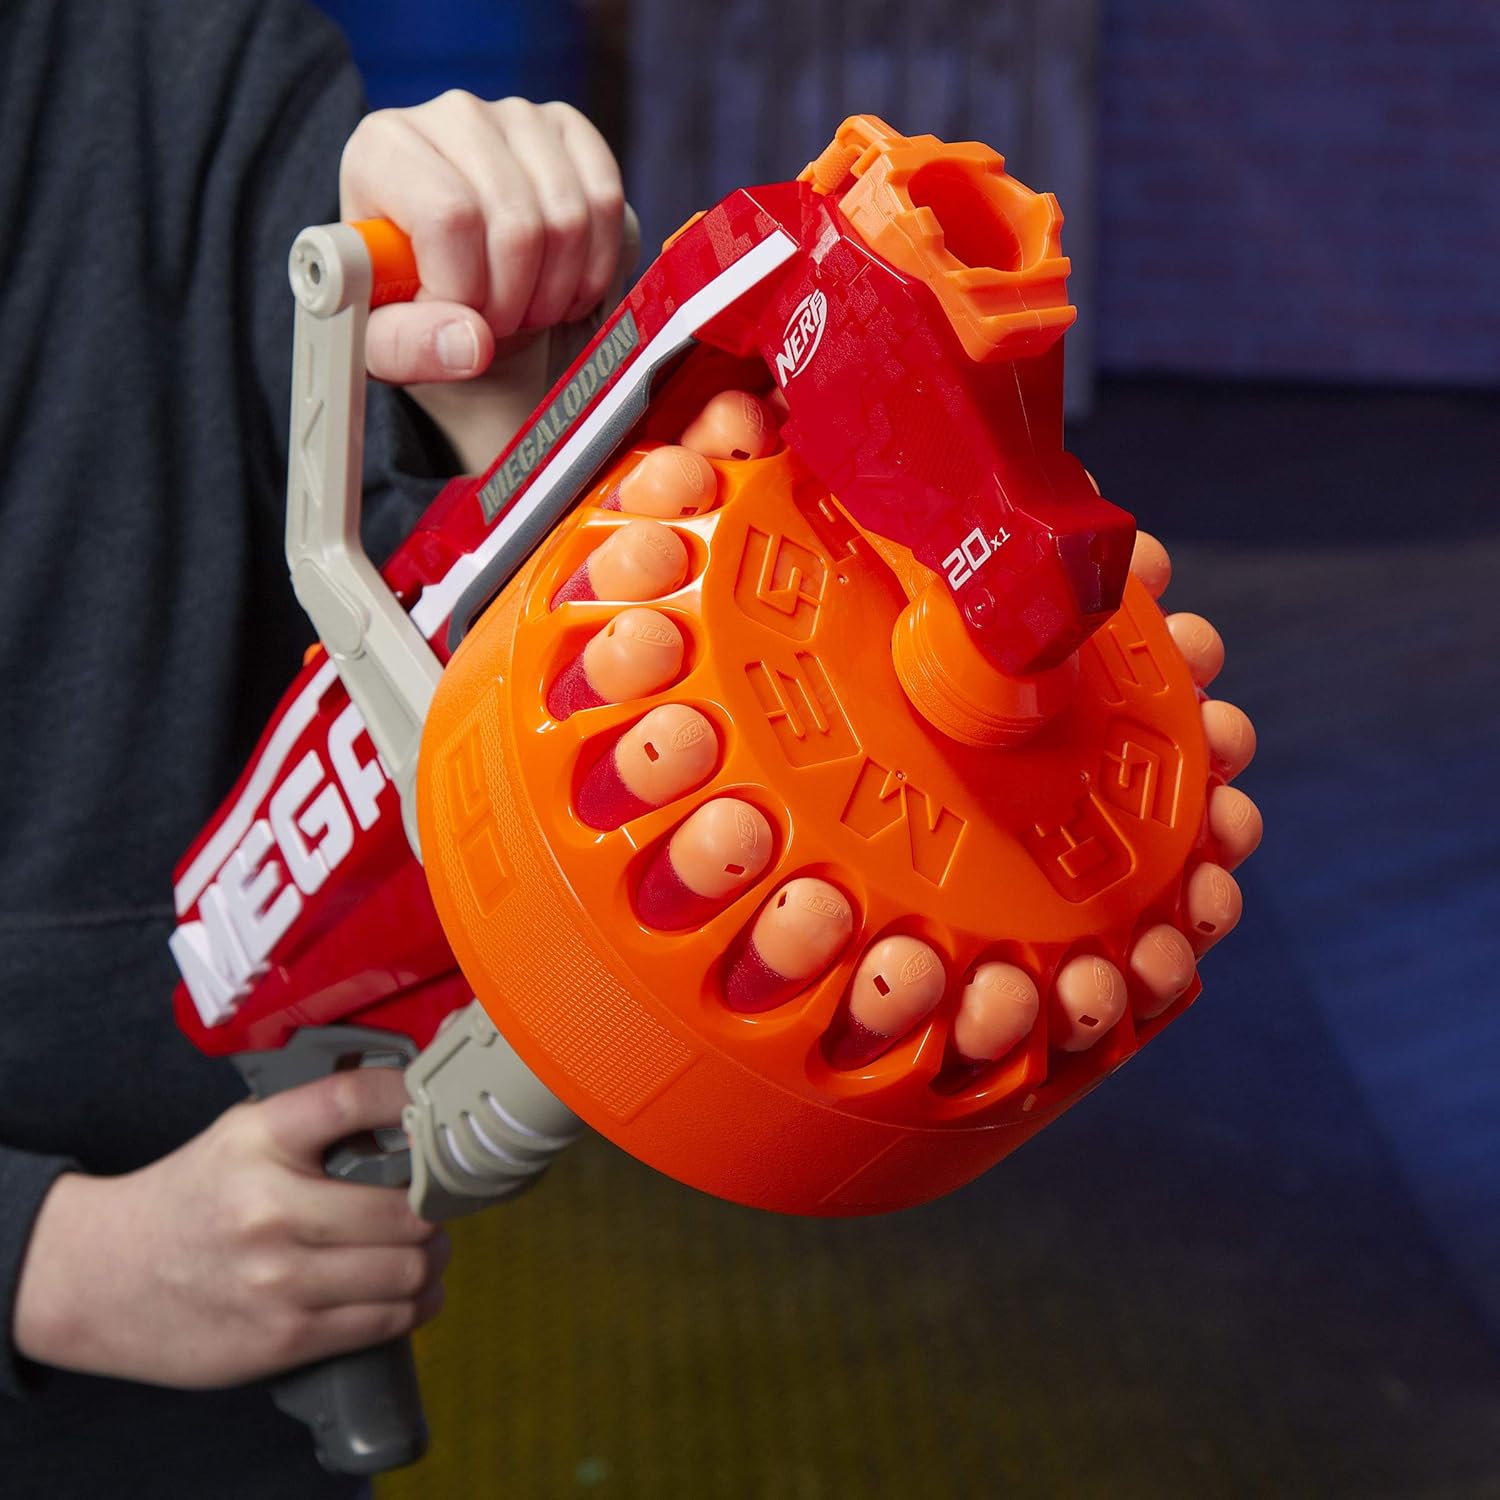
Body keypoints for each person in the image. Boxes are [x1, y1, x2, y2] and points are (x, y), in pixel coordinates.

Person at [0, 1, 625, 1494]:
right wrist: (42, 1260)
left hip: (229, 1355)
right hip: (157, 1284)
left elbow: (456, 664)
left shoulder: (201, 64)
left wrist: (503, 411)